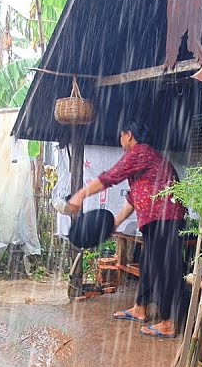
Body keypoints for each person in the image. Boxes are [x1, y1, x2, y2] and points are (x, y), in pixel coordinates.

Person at [66, 121, 189, 338]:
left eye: (121, 136)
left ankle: (169, 323)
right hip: (157, 220)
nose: (120, 140)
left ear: (129, 135)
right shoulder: (147, 162)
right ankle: (140, 309)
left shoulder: (141, 152)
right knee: (149, 265)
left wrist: (80, 195)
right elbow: (133, 198)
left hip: (166, 219)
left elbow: (110, 177)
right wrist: (114, 223)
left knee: (166, 270)